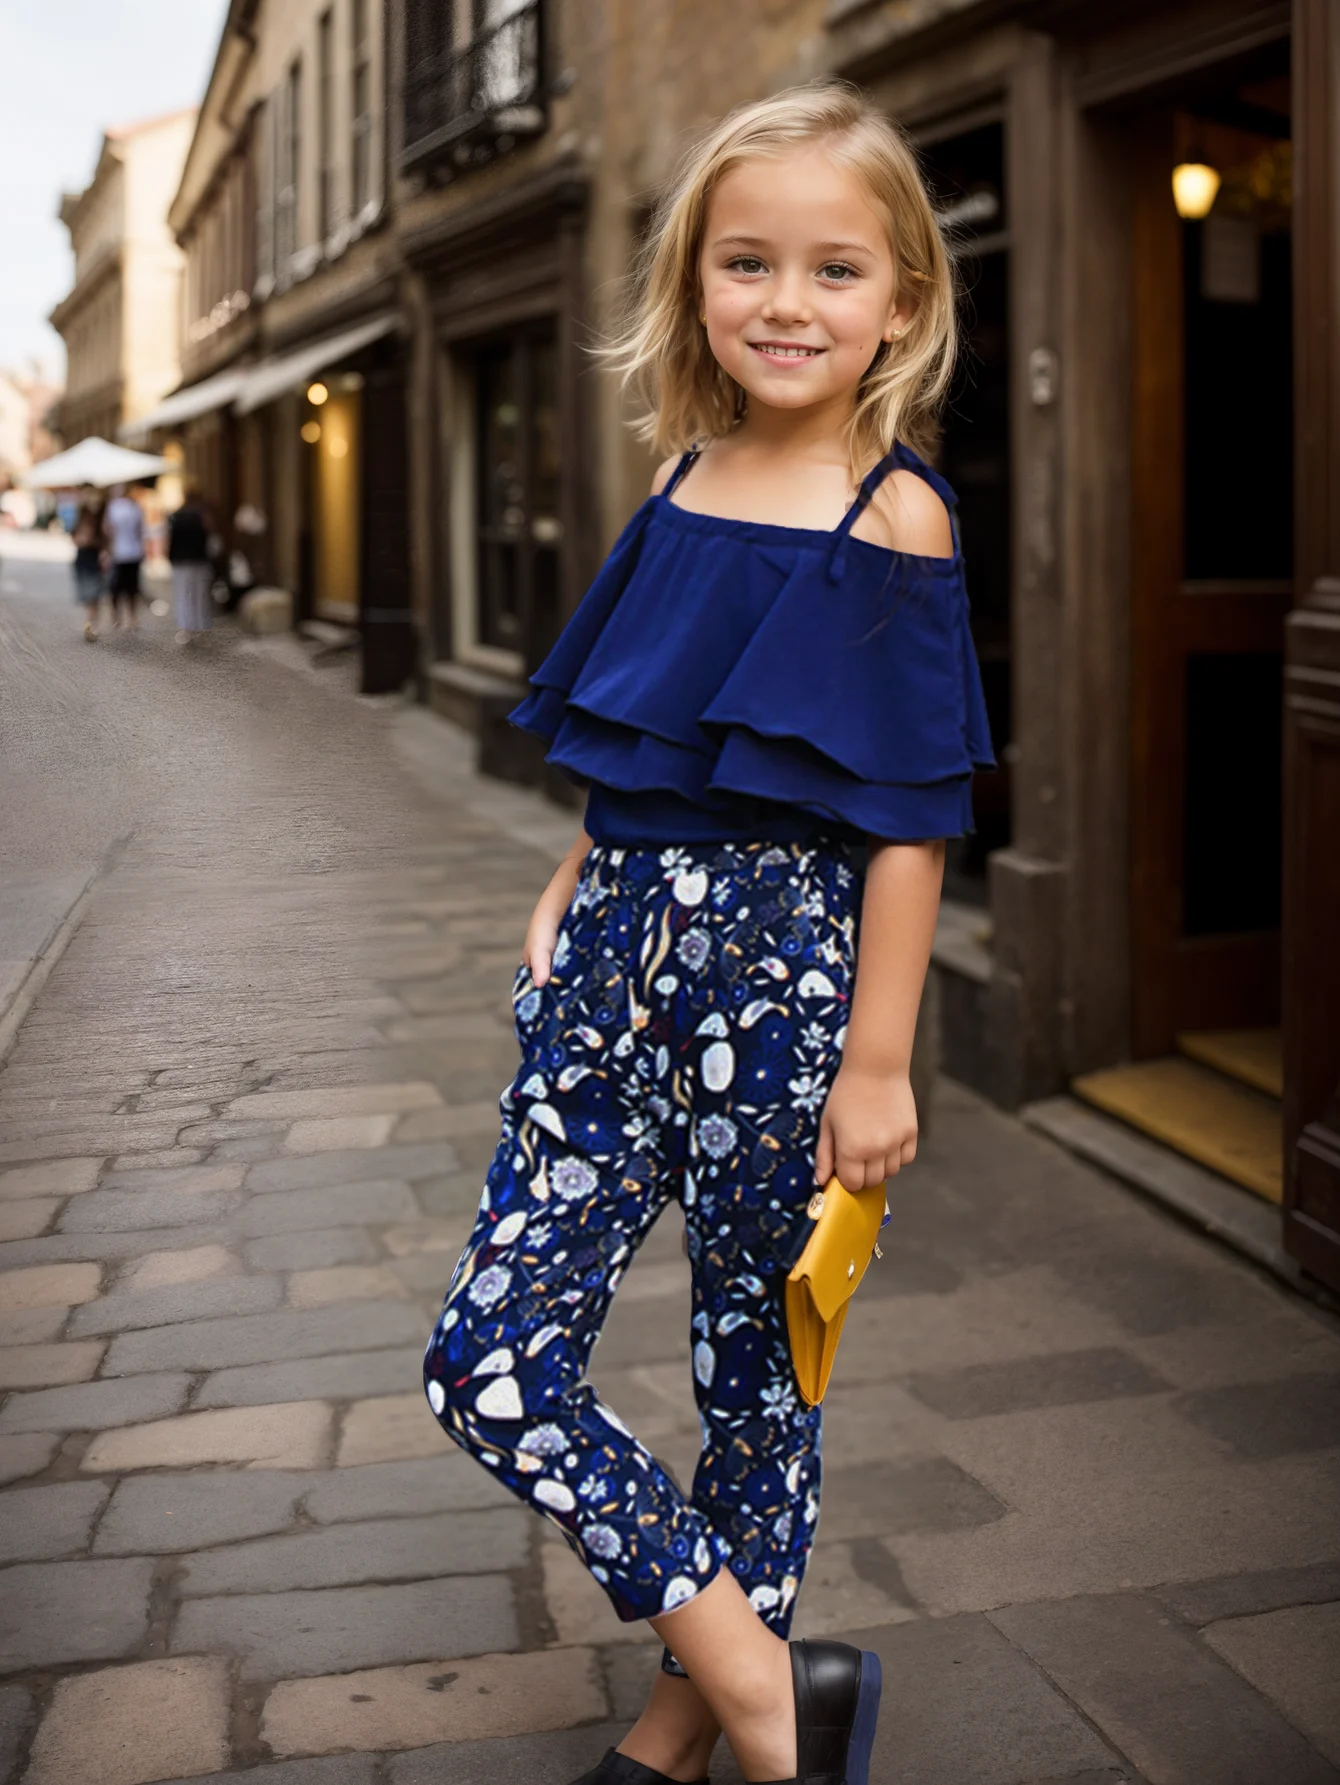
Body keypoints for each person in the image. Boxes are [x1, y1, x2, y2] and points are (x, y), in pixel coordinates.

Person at [423, 83, 993, 1785]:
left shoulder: (892, 514)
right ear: (694, 284)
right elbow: (648, 729)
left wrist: (880, 1061)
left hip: (790, 986)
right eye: (748, 262)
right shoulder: (679, 475)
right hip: (608, 966)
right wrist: (568, 886)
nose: (786, 303)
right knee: (489, 1361)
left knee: (761, 1381)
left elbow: (909, 822)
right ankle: (763, 1681)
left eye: (834, 269)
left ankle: (684, 1729)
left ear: (901, 301)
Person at [168, 482, 215, 643]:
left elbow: (171, 540)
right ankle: (202, 625)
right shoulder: (203, 515)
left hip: (181, 561)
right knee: (201, 594)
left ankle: (186, 627)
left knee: (183, 594)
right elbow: (210, 534)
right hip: (199, 559)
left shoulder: (176, 515)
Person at [103, 483, 145, 630]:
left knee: (116, 588)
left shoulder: (113, 507)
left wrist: (107, 550)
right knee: (132, 588)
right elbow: (140, 530)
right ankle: (132, 618)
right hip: (134, 552)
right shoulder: (135, 507)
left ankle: (116, 617)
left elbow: (108, 530)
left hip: (119, 553)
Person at [70, 490, 106, 642]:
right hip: (84, 561)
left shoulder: (100, 523)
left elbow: (103, 541)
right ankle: (90, 622)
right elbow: (75, 539)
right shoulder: (80, 523)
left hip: (93, 560)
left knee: (94, 595)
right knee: (89, 595)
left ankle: (90, 623)